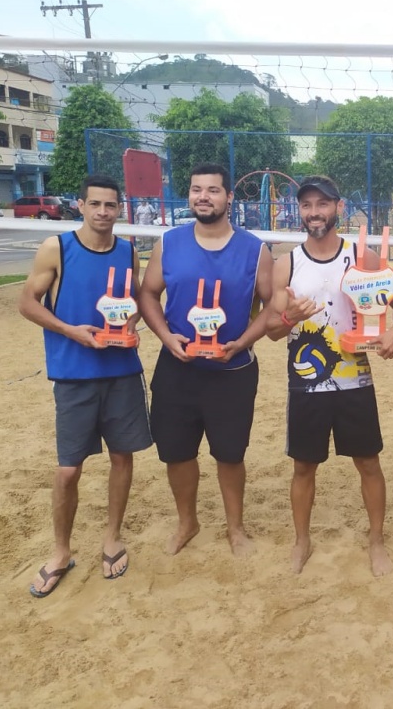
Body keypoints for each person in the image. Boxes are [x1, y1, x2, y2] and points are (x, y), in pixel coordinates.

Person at [267, 175, 393, 577]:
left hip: (355, 381)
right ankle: (302, 541)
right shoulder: (287, 264)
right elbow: (273, 330)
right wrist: (288, 318)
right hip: (306, 382)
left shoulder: (362, 257)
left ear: (338, 207)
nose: (314, 212)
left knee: (368, 463)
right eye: (307, 205)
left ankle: (376, 541)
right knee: (303, 467)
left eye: (322, 204)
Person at [18, 174, 152, 597]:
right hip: (74, 374)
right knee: (68, 469)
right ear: (80, 205)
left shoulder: (127, 251)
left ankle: (112, 537)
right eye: (95, 204)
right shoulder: (57, 248)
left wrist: (132, 325)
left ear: (119, 209)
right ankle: (61, 551)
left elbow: (135, 303)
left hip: (121, 371)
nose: (102, 212)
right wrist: (70, 330)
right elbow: (26, 303)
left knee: (122, 457)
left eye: (110, 205)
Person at [138, 163, 273, 557]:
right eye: (197, 189)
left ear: (229, 197)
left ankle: (236, 529)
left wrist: (243, 341)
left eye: (213, 190)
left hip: (233, 369)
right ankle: (188, 522)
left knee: (230, 454)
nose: (203, 197)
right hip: (178, 366)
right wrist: (166, 336)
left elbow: (272, 306)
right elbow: (148, 294)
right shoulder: (169, 243)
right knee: (176, 452)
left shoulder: (255, 250)